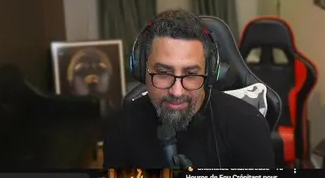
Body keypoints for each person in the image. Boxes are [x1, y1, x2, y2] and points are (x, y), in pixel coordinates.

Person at [102, 9, 274, 169]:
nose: (177, 92)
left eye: (191, 74)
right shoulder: (121, 127)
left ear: (209, 73)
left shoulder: (248, 127)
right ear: (141, 69)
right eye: (163, 73)